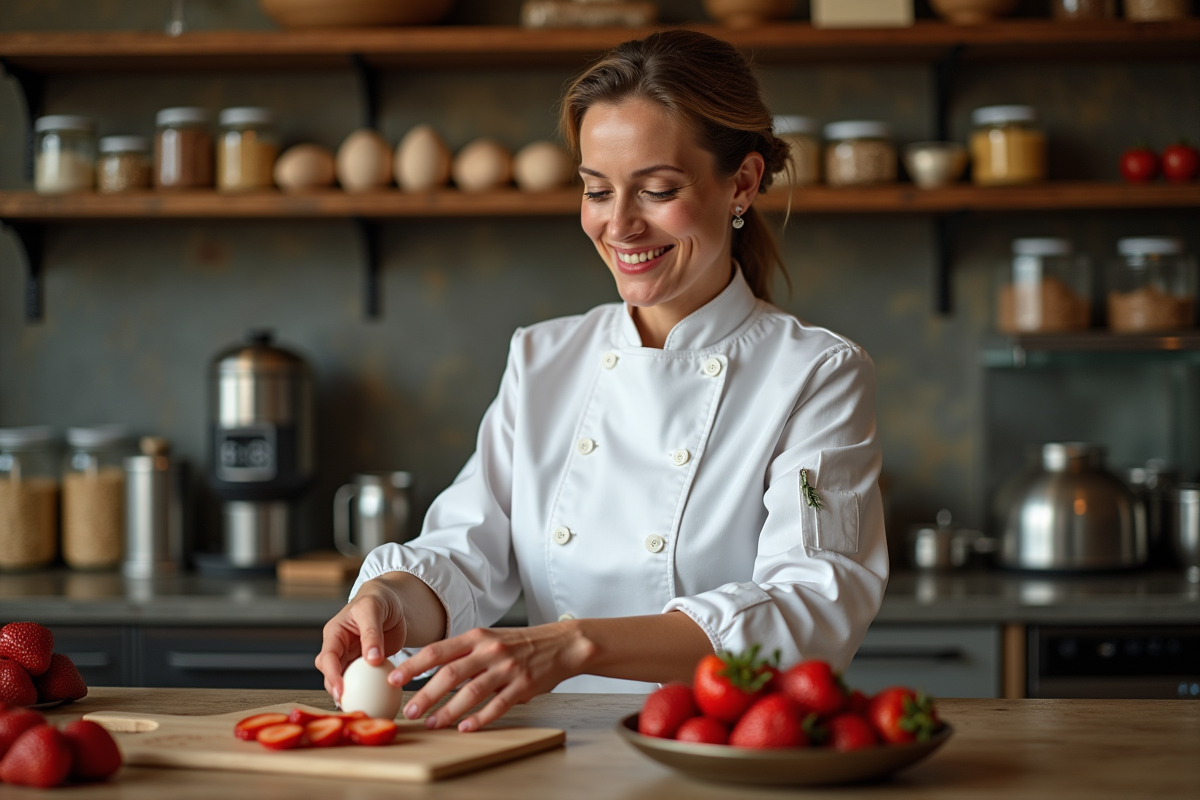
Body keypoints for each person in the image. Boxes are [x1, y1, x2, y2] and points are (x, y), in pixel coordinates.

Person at [316, 29, 887, 734]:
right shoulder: (544, 358)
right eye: (596, 190)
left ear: (741, 183)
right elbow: (465, 552)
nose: (619, 226)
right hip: (556, 754)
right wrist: (391, 600)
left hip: (722, 752)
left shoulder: (816, 373)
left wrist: (574, 644)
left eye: (657, 190)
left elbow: (813, 605)